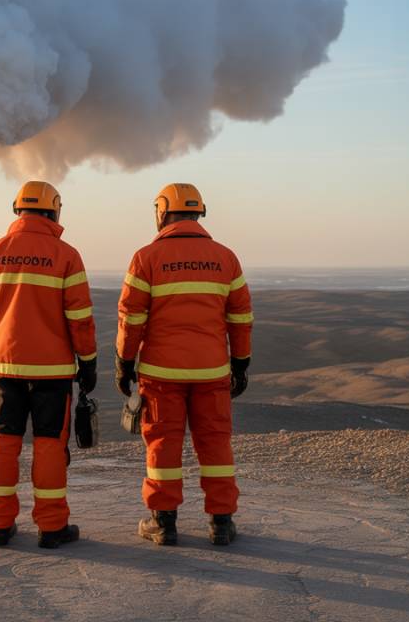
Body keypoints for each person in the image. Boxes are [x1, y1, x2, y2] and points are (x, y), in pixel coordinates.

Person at [115, 183, 252, 546]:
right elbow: (240, 317)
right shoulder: (226, 258)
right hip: (212, 372)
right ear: (199, 213)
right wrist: (240, 364)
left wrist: (124, 364)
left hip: (161, 374)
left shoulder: (145, 258)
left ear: (161, 212)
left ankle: (163, 524)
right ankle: (221, 523)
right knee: (216, 444)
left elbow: (131, 319)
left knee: (162, 445)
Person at [0, 181, 97, 549]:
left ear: (16, 209)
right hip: (53, 373)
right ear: (55, 211)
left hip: (4, 367)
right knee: (49, 446)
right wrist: (87, 363)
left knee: (2, 444)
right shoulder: (66, 255)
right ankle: (52, 528)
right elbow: (80, 318)